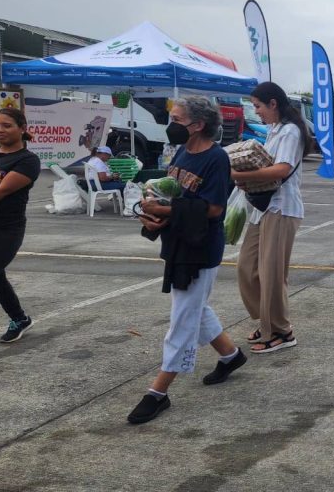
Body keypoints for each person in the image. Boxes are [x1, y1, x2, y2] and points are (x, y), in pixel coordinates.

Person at [128, 96, 244, 424]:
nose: (172, 125)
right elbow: (174, 193)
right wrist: (154, 216)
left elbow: (213, 209)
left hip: (200, 248)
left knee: (183, 319)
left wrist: (164, 211)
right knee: (194, 306)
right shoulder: (181, 152)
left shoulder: (216, 158)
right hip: (178, 240)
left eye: (178, 119)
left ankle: (158, 392)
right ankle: (231, 356)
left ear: (197, 125)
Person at [233, 81, 308, 354]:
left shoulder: (289, 132)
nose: (257, 112)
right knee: (247, 267)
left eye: (258, 106)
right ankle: (267, 321)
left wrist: (239, 176)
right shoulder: (274, 130)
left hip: (281, 209)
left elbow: (281, 170)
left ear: (273, 104)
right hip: (263, 208)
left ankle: (281, 330)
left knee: (272, 274)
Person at [0, 108, 40, 342]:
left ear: (22, 129)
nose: (0, 130)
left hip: (5, 230)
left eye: (7, 125)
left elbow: (1, 191)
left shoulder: (27, 160)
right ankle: (19, 318)